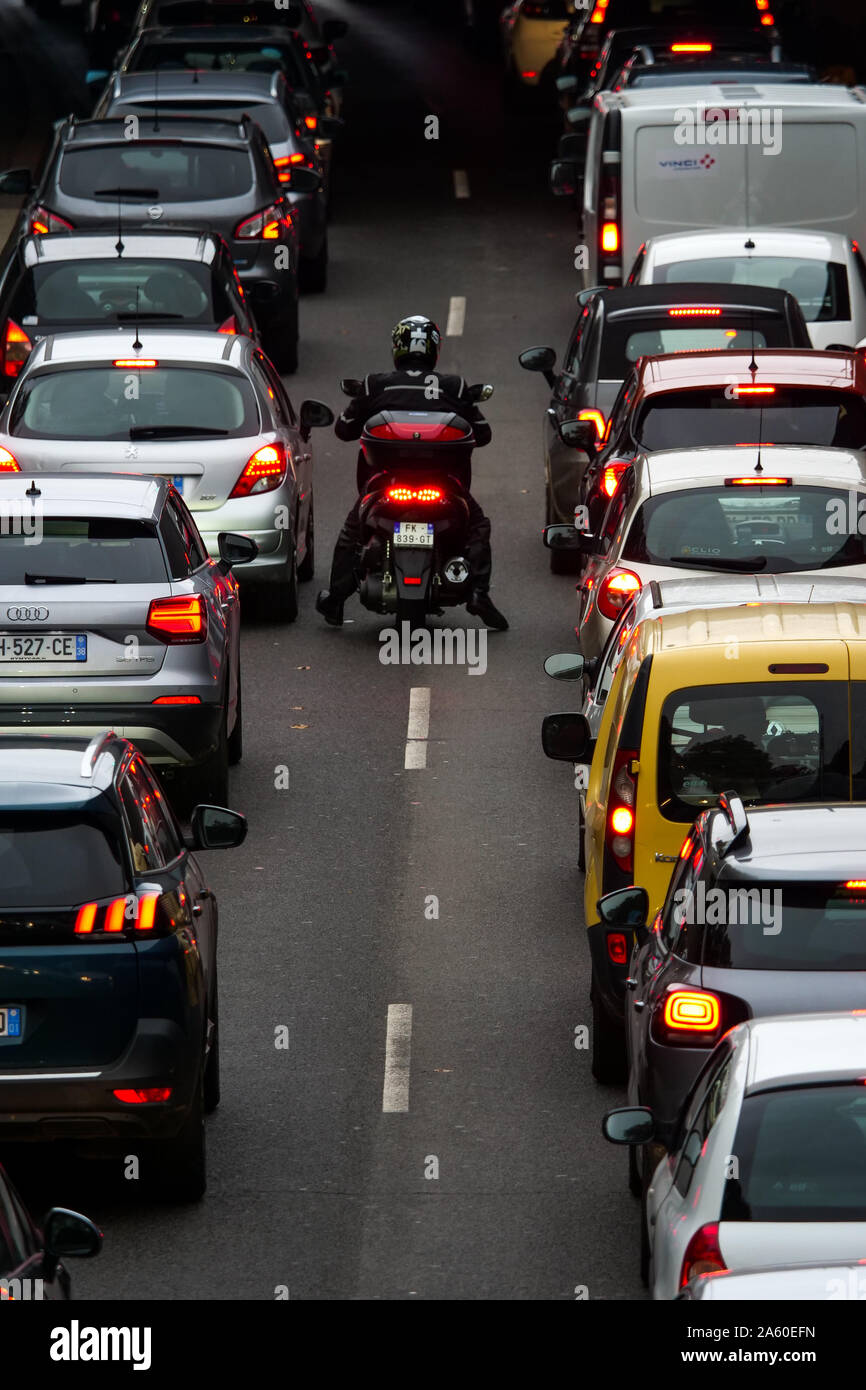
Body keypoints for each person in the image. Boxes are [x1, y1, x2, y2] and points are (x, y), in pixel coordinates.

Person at [315, 315, 508, 630]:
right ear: (433, 349)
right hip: (443, 484)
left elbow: (343, 430)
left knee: (352, 530)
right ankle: (479, 593)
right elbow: (483, 435)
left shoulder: (375, 384)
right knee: (478, 525)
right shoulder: (453, 386)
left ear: (397, 348)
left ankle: (336, 599)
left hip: (386, 481)